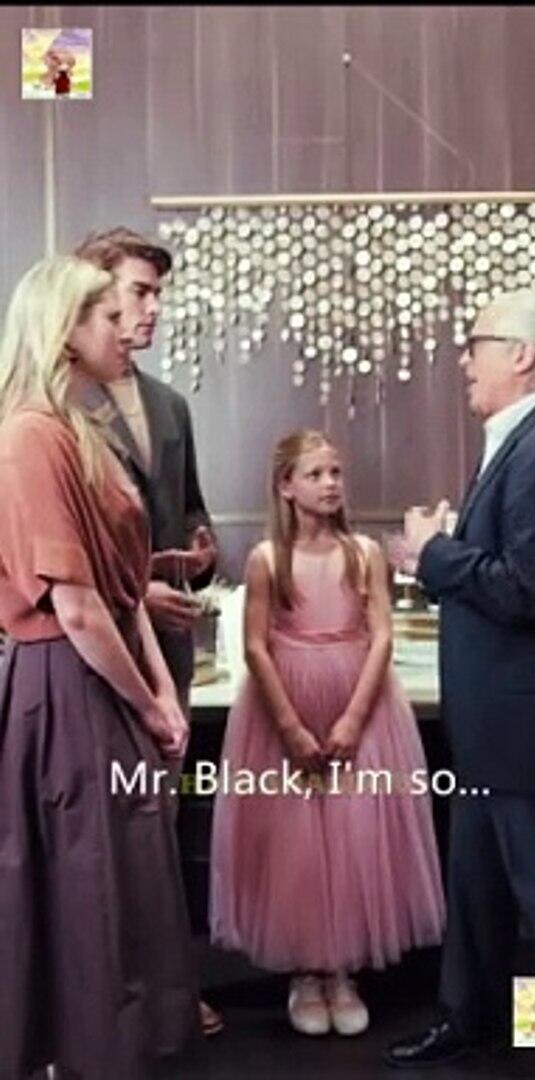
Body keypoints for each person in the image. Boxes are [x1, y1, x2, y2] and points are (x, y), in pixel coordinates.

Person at [383, 288, 535, 1080]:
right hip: (494, 731)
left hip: (533, 737)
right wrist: (444, 552)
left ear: (520, 355)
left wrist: (433, 554)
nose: (463, 360)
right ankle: (467, 1021)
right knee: (478, 893)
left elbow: (534, 590)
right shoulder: (522, 441)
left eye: (475, 343)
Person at [0, 256, 200, 1079]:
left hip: (104, 678)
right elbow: (77, 606)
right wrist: (151, 703)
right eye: (109, 316)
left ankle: (116, 1052)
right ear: (64, 329)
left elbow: (122, 590)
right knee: (91, 891)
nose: (129, 327)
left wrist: (160, 693)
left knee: (123, 886)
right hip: (68, 684)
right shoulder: (28, 436)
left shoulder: (76, 430)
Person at [210, 429, 445, 1037]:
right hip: (285, 704)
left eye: (336, 472)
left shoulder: (363, 552)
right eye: (315, 474)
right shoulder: (268, 559)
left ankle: (342, 970)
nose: (331, 483)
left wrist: (353, 717)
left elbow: (382, 635)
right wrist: (289, 725)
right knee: (295, 842)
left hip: (358, 700)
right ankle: (305, 972)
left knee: (355, 831)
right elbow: (256, 645)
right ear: (286, 486)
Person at [73, 227, 222, 1037]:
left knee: (158, 826)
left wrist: (199, 551)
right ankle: (105, 1003)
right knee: (97, 839)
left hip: (167, 651)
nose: (153, 308)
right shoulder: (50, 403)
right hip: (90, 656)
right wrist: (136, 592)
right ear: (90, 294)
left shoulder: (170, 404)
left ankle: (164, 995)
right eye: (139, 291)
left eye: (158, 293)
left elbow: (188, 506)